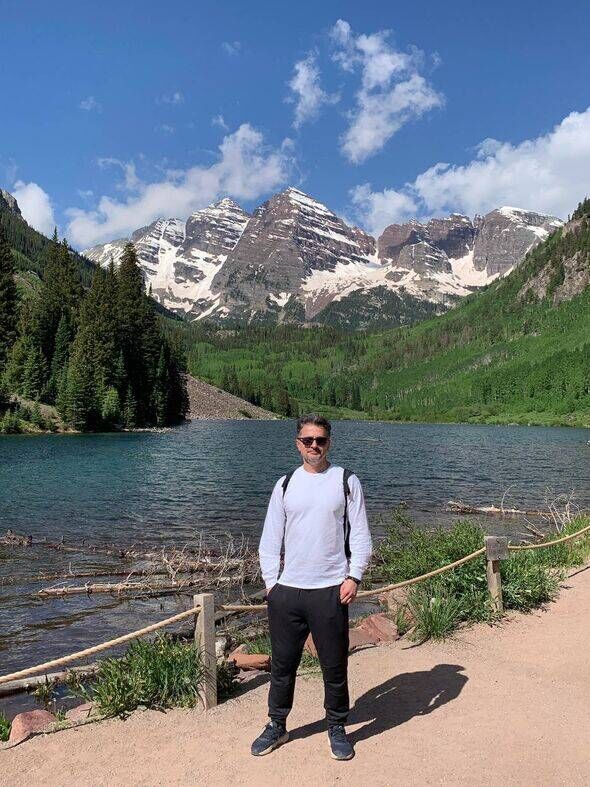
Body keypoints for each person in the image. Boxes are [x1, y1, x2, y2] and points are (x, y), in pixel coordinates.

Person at [251, 414, 372, 761]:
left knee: (334, 666)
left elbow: (361, 535)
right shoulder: (285, 484)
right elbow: (269, 539)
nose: (314, 446)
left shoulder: (346, 481)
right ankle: (277, 724)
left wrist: (354, 576)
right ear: (298, 444)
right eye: (308, 440)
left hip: (330, 589)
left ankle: (337, 726)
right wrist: (272, 584)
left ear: (329, 443)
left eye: (320, 440)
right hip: (287, 592)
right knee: (282, 665)